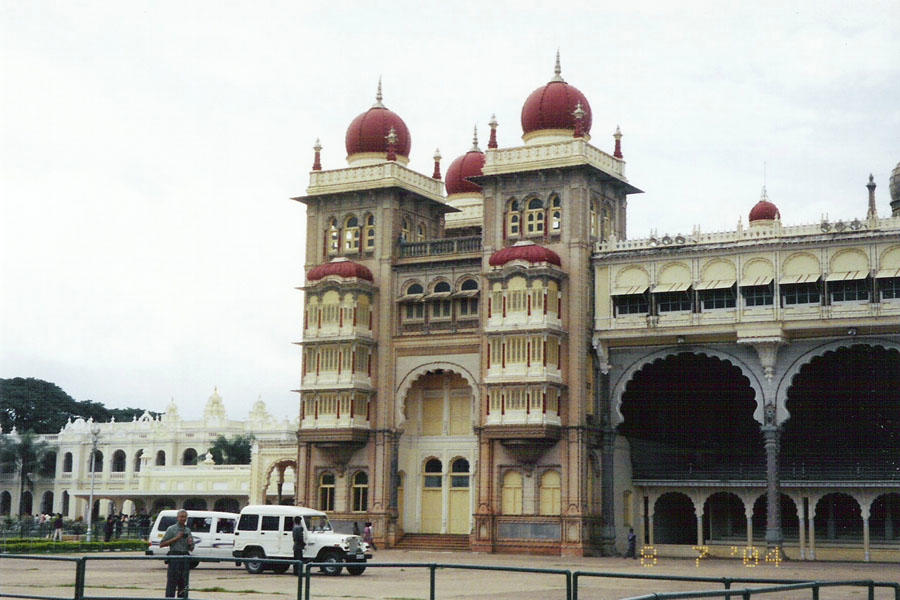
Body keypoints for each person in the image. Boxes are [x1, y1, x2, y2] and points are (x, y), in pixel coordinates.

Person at [159, 509, 194, 598]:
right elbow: (162, 544)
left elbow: (192, 548)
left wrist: (190, 544)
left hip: (185, 556)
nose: (183, 519)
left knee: (184, 582)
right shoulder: (171, 529)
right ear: (177, 517)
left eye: (185, 517)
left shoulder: (188, 530)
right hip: (174, 556)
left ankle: (183, 597)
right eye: (181, 517)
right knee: (172, 582)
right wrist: (176, 538)